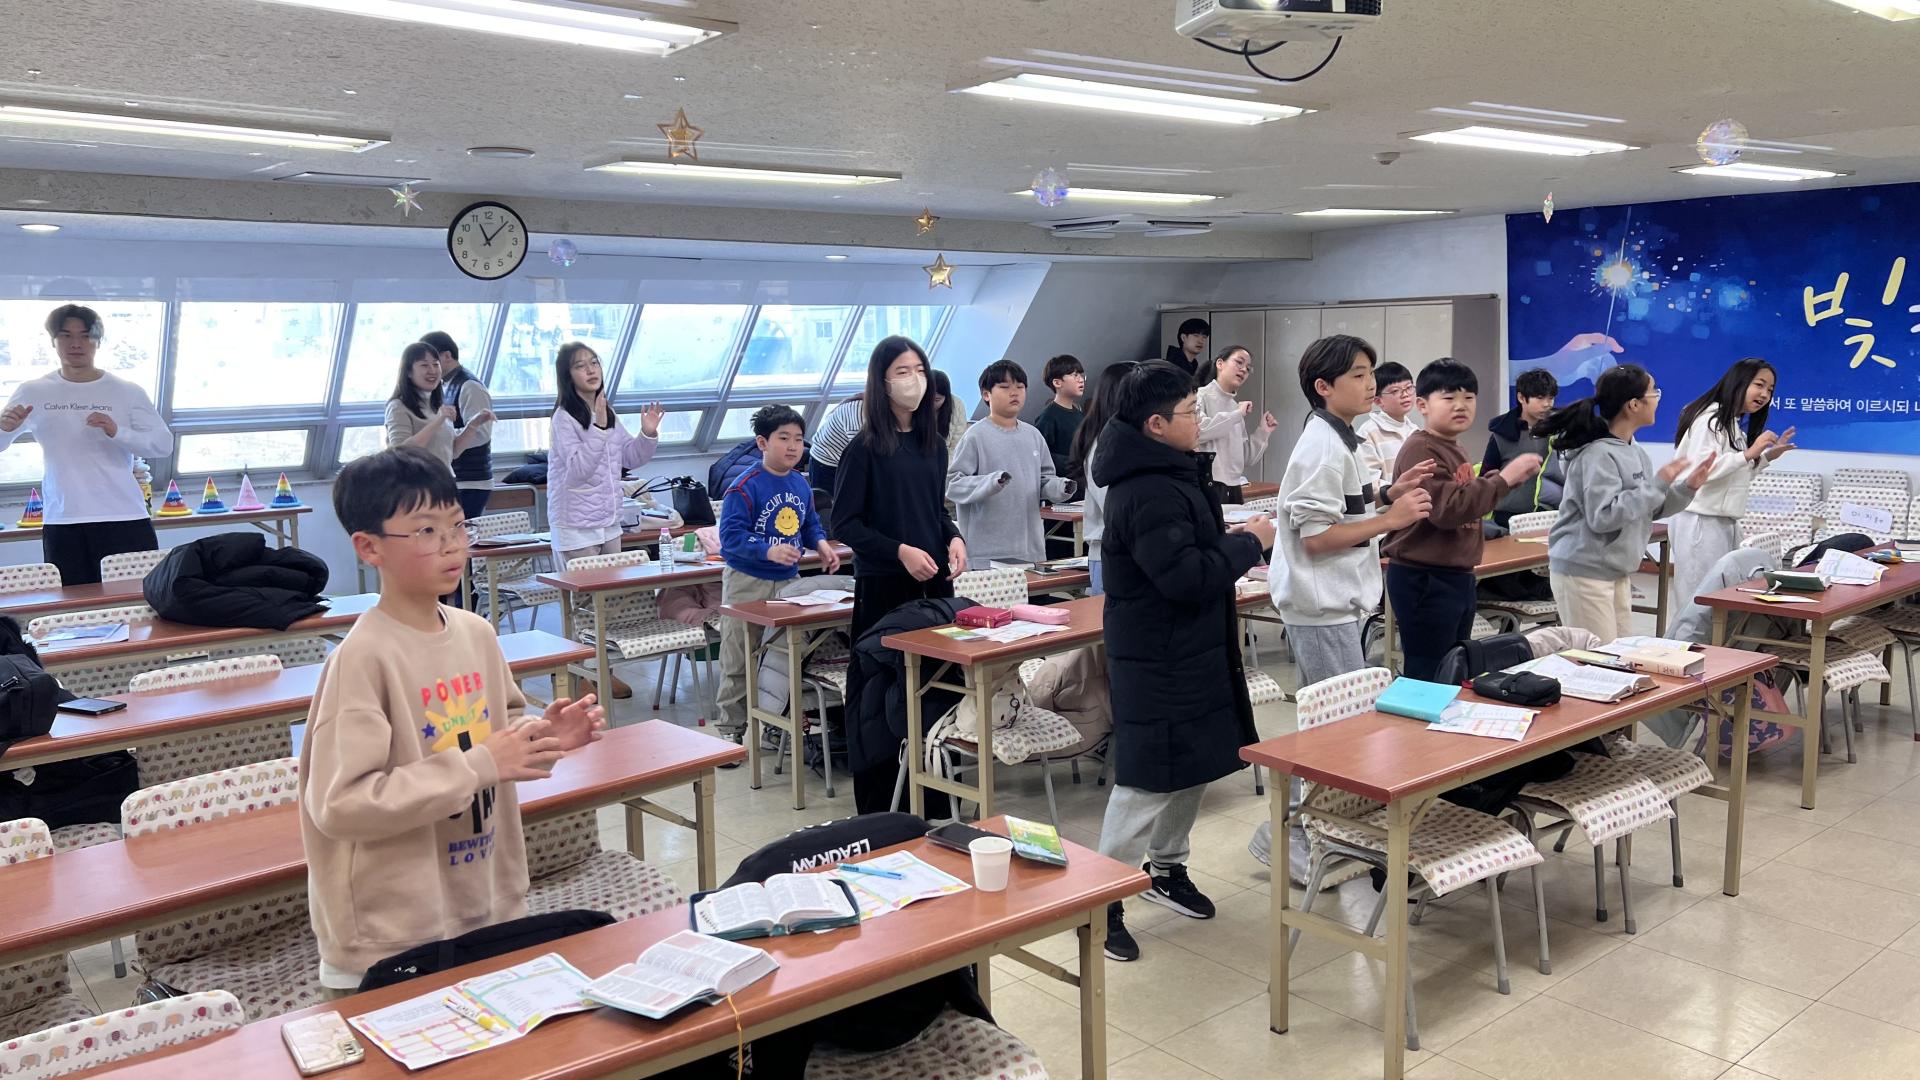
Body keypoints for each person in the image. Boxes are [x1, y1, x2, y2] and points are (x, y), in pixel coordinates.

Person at [301, 445, 606, 995]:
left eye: (458, 526)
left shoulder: (476, 633)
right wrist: (481, 764)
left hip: (483, 903)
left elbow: (502, 739)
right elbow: (340, 805)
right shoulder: (363, 659)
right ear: (369, 547)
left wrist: (545, 737)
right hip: (393, 936)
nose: (451, 545)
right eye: (425, 531)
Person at [1092, 361, 1275, 962]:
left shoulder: (1172, 471)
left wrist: (1234, 541)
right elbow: (1186, 576)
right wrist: (1249, 543)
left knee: (1192, 763)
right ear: (1155, 424)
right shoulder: (1146, 490)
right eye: (1191, 412)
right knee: (1147, 777)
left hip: (1192, 646)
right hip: (1158, 653)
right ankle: (1101, 900)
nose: (1199, 420)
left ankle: (1166, 868)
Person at [1259, 335, 1435, 883]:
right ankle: (1287, 836)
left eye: (1370, 373)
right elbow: (1315, 539)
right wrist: (1392, 519)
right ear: (1324, 386)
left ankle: (1307, 832)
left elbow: (1346, 508)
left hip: (1337, 602)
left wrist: (1387, 495)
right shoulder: (1321, 445)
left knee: (1338, 726)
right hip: (1320, 605)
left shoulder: (1343, 437)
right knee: (1334, 731)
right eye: (1358, 375)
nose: (1371, 384)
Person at [830, 335, 965, 813]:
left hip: (934, 586)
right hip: (884, 588)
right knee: (882, 696)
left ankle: (936, 800)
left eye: (920, 370)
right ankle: (885, 805)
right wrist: (899, 551)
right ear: (882, 383)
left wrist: (953, 536)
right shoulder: (864, 448)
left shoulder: (934, 446)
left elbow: (934, 511)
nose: (914, 381)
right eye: (902, 372)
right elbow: (844, 524)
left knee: (936, 689)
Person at [1383, 359, 1541, 679]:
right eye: (1449, 397)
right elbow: (1447, 510)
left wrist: (1500, 481)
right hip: (1424, 577)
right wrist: (1503, 480)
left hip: (1455, 574)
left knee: (1453, 668)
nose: (1461, 405)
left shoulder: (1451, 446)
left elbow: (1464, 498)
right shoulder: (1422, 449)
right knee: (1430, 673)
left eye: (1468, 397)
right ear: (1422, 405)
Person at [1537, 364, 1715, 641]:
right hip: (1584, 570)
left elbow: (1648, 508)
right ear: (1633, 404)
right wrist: (1658, 483)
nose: (1658, 398)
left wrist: (1686, 488)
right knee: (1595, 657)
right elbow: (1604, 516)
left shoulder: (1635, 451)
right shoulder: (1597, 454)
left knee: (1619, 654)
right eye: (1653, 392)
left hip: (1615, 569)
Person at [0, 304, 172, 586]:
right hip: (63, 519)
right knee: (73, 606)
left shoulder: (126, 391)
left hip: (125, 516)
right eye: (66, 335)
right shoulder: (33, 391)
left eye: (86, 336)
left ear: (98, 341)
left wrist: (117, 431)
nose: (76, 344)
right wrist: (4, 428)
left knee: (138, 598)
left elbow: (162, 445)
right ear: (53, 341)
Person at [716, 405, 840, 749]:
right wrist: (767, 550)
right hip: (746, 581)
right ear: (762, 443)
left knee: (783, 659)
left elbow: (809, 523)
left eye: (798, 439)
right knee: (739, 656)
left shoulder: (800, 483)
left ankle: (775, 723)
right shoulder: (744, 486)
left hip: (789, 582)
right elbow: (731, 538)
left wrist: (820, 544)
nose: (792, 446)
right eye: (783, 438)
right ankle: (730, 729)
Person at [547, 341, 664, 699]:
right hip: (575, 522)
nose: (590, 370)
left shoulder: (606, 411)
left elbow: (629, 457)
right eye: (580, 365)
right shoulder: (563, 419)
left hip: (608, 520)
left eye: (594, 363)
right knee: (581, 605)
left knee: (609, 603)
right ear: (568, 376)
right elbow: (579, 470)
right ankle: (575, 673)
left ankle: (602, 671)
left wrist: (647, 433)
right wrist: (598, 427)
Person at [1669, 358, 1796, 604]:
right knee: (1698, 597)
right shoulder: (1710, 420)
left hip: (1720, 521)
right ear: (1739, 382)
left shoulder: (1732, 425)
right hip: (1699, 519)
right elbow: (1700, 471)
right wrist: (1749, 453)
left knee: (1717, 595)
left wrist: (1768, 456)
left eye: (1770, 389)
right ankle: (1688, 632)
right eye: (1759, 385)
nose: (1765, 394)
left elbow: (1734, 475)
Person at [947, 360, 1075, 568]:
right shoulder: (975, 436)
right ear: (986, 394)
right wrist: (991, 482)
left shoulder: (1033, 435)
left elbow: (1043, 480)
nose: (1014, 393)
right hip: (986, 553)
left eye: (1020, 387)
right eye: (1005, 387)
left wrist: (1061, 487)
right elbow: (953, 485)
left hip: (1030, 549)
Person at [1066, 360, 1141, 596]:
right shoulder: (1104, 443)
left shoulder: (1130, 438)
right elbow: (1113, 504)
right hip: (1112, 554)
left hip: (1134, 552)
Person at [421, 331, 496, 522]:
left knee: (458, 536)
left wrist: (442, 437)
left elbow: (482, 433)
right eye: (424, 365)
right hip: (456, 478)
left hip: (471, 480)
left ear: (447, 356)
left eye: (433, 363)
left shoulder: (470, 386)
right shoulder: (445, 385)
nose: (430, 370)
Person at [384, 342, 492, 471]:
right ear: (408, 372)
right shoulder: (398, 406)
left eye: (436, 364)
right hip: (416, 481)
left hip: (444, 479)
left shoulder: (437, 405)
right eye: (424, 365)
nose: (432, 370)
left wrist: (473, 424)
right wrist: (439, 421)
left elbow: (452, 451)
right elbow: (401, 453)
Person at [1484, 367, 1565, 528]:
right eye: (1540, 398)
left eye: (1551, 398)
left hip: (1550, 516)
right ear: (1521, 397)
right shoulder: (1502, 434)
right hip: (1507, 518)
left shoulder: (1560, 430)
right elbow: (1486, 477)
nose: (1547, 404)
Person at [1194, 345, 1277, 503]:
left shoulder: (1235, 407)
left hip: (1234, 487)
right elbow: (1200, 431)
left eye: (1248, 368)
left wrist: (1263, 432)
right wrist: (1237, 414)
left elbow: (1246, 458)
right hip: (1208, 484)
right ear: (1220, 363)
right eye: (1239, 362)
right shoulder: (1200, 396)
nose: (1244, 370)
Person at [1356, 361, 1418, 487]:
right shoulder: (1368, 433)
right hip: (1389, 499)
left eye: (1409, 388)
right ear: (1378, 401)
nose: (1405, 395)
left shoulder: (1415, 431)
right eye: (1395, 391)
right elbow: (1368, 479)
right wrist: (1396, 492)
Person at [1032, 354, 1085, 473]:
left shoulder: (1079, 414)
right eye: (1075, 375)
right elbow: (1041, 455)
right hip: (1065, 481)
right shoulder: (1048, 416)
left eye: (1081, 375)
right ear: (1057, 383)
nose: (1081, 380)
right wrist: (1073, 464)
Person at [807, 394, 863, 495]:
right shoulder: (859, 410)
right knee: (828, 502)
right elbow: (862, 453)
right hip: (826, 463)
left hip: (843, 462)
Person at [1164, 317, 1210, 383]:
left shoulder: (1193, 365)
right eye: (1196, 335)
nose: (1200, 341)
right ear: (1183, 337)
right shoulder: (1174, 366)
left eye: (1204, 337)